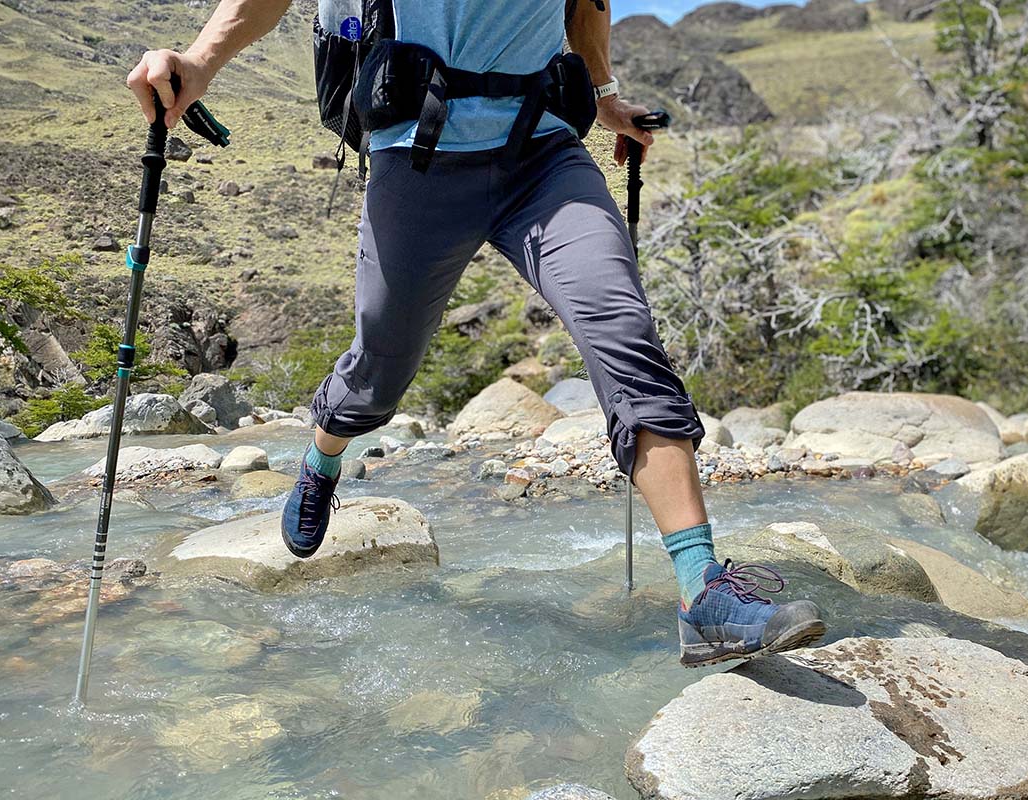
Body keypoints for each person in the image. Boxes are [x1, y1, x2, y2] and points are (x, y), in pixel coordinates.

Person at [127, 0, 825, 667]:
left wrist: (604, 94)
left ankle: (703, 590)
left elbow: (582, 7)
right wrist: (200, 60)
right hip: (418, 156)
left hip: (543, 152)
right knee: (379, 371)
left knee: (625, 334)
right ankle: (323, 457)